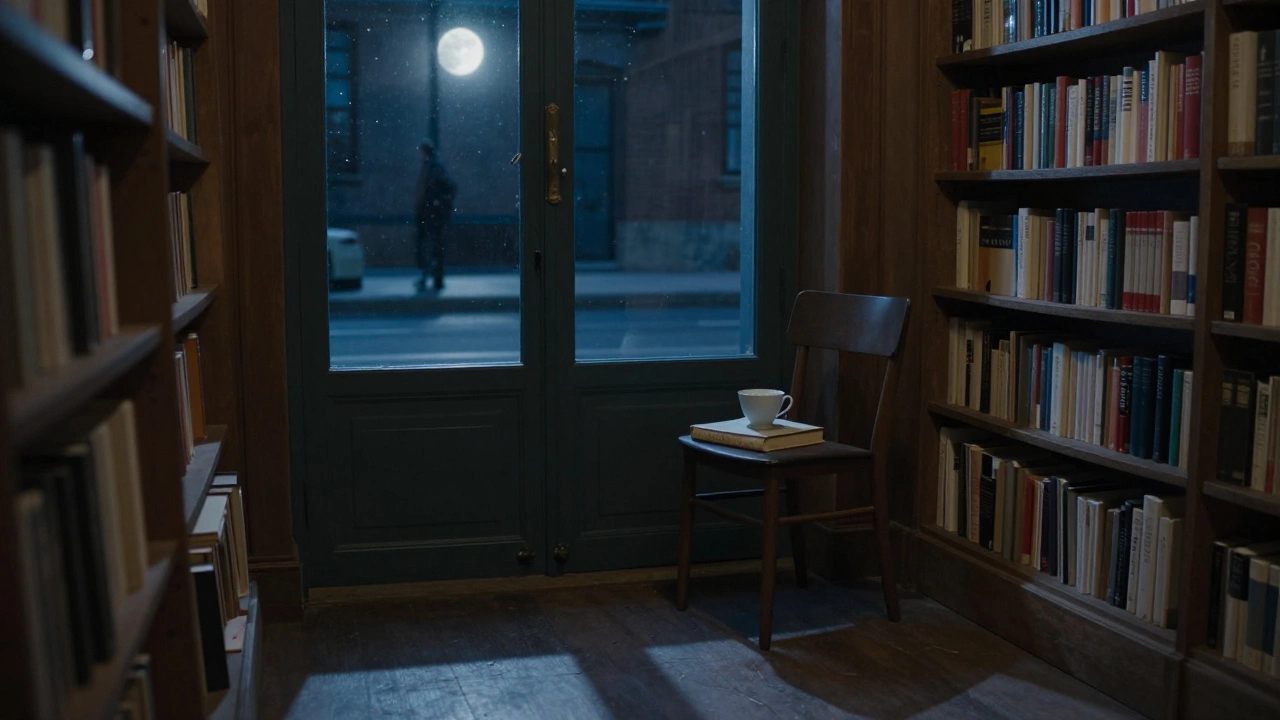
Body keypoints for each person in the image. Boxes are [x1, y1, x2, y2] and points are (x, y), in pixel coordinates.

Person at [414, 140, 456, 291]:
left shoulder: (435, 167)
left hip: (433, 215)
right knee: (428, 246)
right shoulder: (430, 166)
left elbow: (448, 187)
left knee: (433, 247)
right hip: (427, 214)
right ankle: (428, 277)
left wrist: (438, 203)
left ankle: (435, 278)